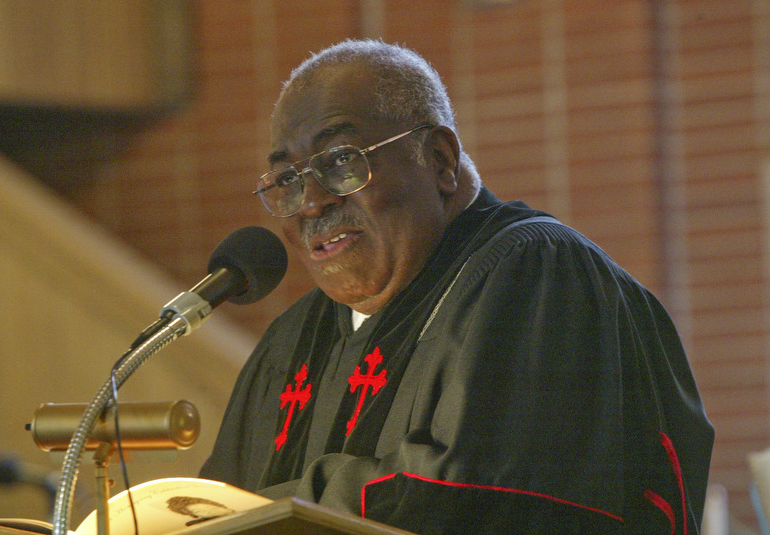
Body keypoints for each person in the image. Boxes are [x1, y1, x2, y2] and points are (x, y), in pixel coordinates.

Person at [200, 39, 714, 534]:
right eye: (287, 180)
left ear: (440, 160)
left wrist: (259, 515)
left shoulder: (535, 273)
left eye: (340, 161)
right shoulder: (292, 340)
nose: (311, 203)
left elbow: (473, 496)